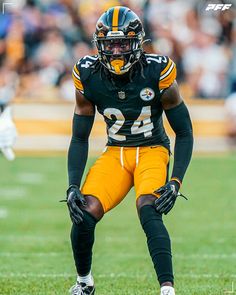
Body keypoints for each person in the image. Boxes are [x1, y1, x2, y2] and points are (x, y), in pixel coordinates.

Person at [66, 6, 193, 295]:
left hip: (152, 151)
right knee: (83, 213)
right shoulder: (87, 74)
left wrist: (176, 180)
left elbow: (184, 132)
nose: (116, 51)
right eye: (110, 45)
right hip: (116, 154)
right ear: (99, 45)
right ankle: (84, 283)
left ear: (137, 43)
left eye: (123, 43)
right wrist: (73, 185)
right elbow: (78, 138)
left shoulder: (156, 70)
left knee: (149, 209)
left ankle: (167, 289)